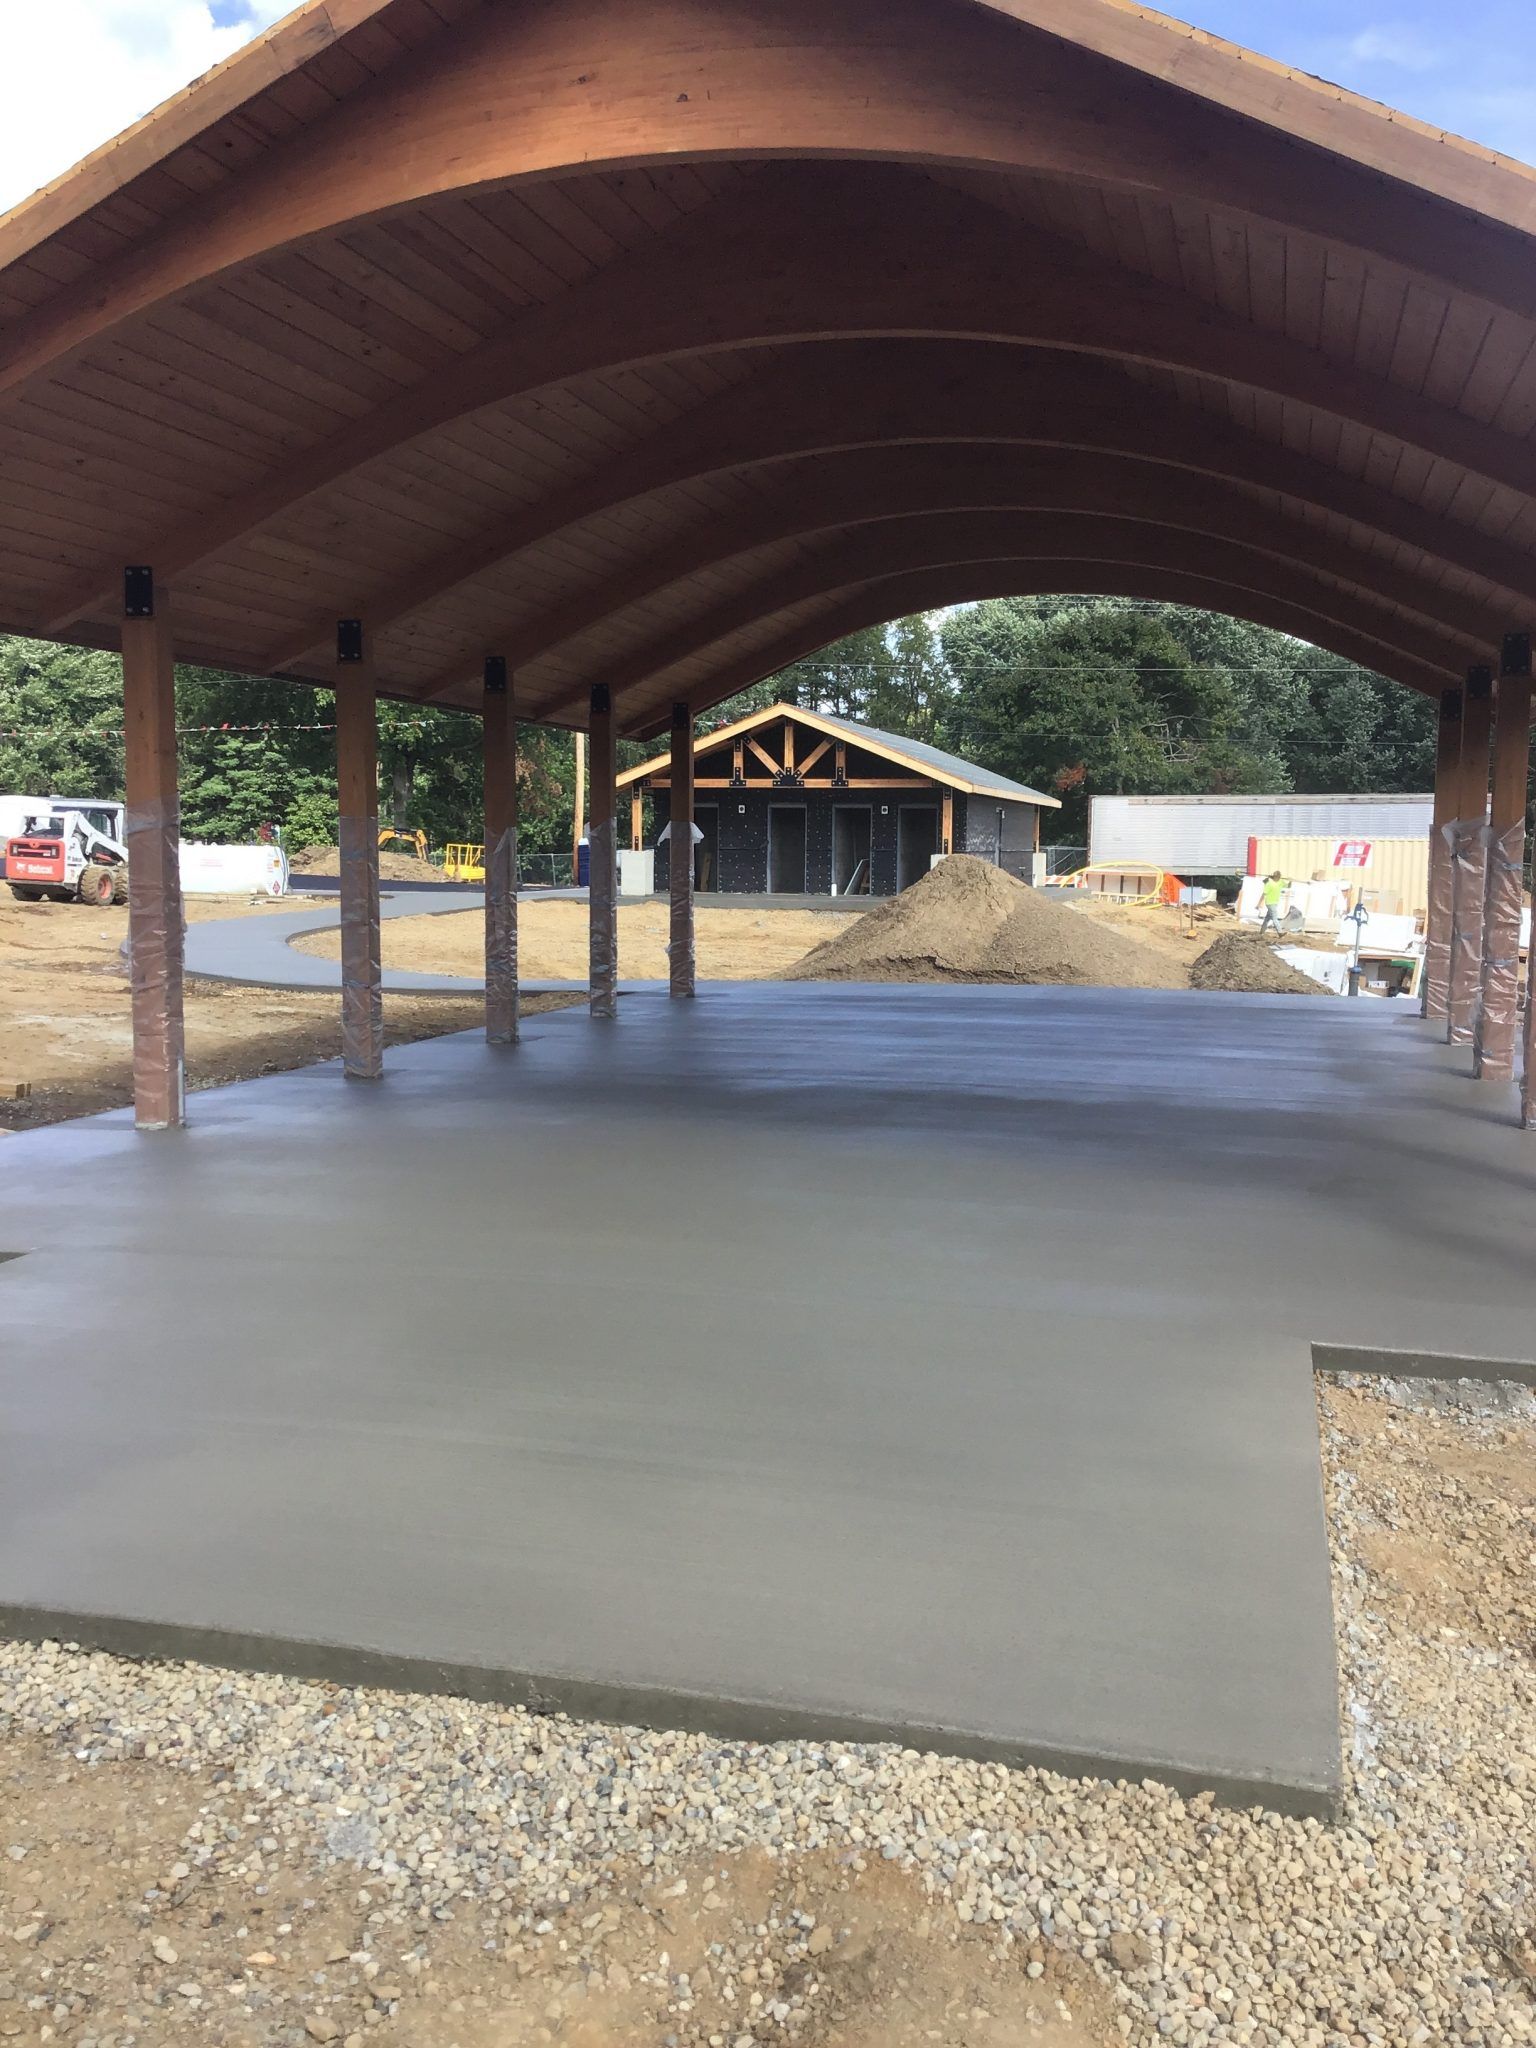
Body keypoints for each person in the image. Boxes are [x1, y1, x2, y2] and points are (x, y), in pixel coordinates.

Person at [1257, 870, 1289, 937]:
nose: (1278, 878)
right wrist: (1259, 903)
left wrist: (1290, 880)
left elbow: (1288, 885)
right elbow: (1264, 894)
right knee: (1275, 918)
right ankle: (1280, 932)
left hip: (1275, 903)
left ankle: (1261, 932)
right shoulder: (1269, 884)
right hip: (1270, 903)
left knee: (1267, 918)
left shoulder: (1280, 882)